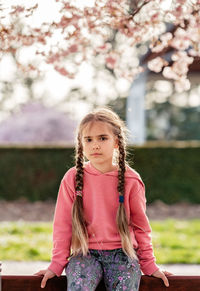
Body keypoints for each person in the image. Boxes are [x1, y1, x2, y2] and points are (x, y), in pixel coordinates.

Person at [35, 107, 172, 290]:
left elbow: (140, 226)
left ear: (116, 141)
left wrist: (149, 264)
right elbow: (62, 225)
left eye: (102, 138)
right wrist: (56, 264)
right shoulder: (72, 178)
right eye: (88, 139)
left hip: (123, 255)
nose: (95, 145)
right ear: (81, 144)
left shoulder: (131, 180)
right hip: (85, 254)